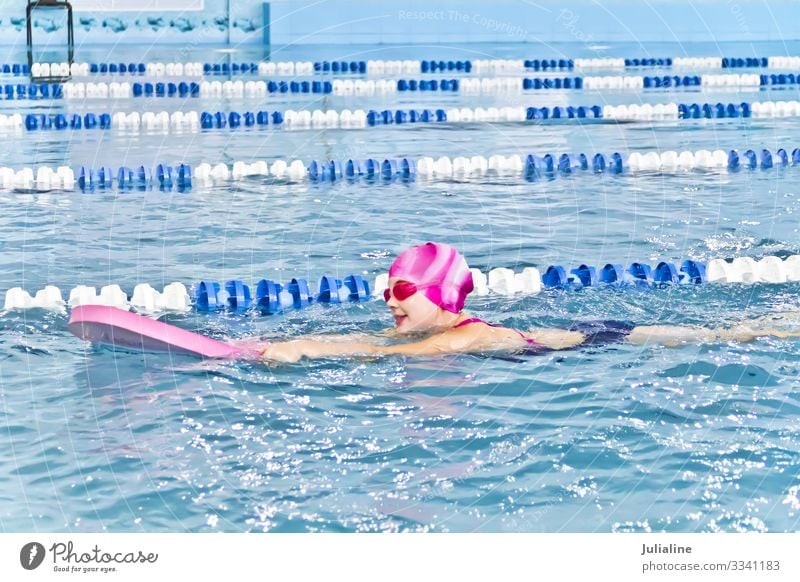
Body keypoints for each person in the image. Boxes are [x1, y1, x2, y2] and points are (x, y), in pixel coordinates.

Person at [259, 241, 800, 363]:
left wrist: (305, 348)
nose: (389, 301)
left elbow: (384, 354)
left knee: (721, 335)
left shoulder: (462, 335)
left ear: (440, 296)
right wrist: (289, 342)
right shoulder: (434, 328)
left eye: (402, 290)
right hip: (571, 335)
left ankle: (781, 327)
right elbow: (372, 340)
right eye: (387, 290)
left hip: (598, 340)